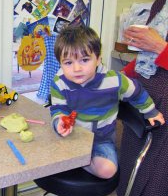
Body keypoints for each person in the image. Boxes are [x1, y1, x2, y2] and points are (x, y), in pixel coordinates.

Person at [49, 25, 165, 179]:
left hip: (101, 140)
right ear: (60, 63)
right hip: (72, 138)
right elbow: (58, 108)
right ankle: (75, 159)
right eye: (68, 63)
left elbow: (137, 92)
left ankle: (78, 161)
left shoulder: (114, 80)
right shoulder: (59, 83)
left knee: (108, 170)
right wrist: (59, 122)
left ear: (98, 59)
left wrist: (150, 111)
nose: (76, 68)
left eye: (84, 60)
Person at [117, 0, 168, 196]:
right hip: (150, 114)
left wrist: (161, 47)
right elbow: (146, 62)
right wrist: (111, 80)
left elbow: (159, 52)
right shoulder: (162, 3)